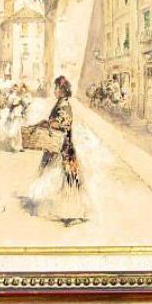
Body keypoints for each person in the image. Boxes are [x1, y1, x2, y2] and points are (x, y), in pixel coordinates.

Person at [27, 76, 90, 226]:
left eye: (56, 88)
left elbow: (64, 124)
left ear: (62, 90)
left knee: (66, 180)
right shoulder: (60, 103)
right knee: (57, 179)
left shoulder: (64, 105)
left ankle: (73, 213)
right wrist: (47, 123)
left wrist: (49, 123)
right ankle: (60, 209)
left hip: (63, 149)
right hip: (56, 147)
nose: (54, 91)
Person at [4, 84, 25, 152]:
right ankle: (12, 146)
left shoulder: (19, 96)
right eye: (14, 89)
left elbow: (24, 104)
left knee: (18, 131)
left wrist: (22, 104)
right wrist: (17, 103)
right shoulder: (11, 96)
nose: (15, 90)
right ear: (12, 89)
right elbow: (9, 105)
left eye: (16, 89)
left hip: (18, 114)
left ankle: (19, 146)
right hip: (13, 114)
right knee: (12, 130)